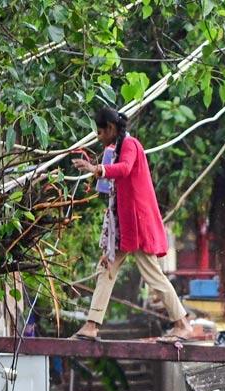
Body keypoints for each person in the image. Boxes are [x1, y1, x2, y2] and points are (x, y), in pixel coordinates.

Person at [71, 108, 193, 341]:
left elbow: (125, 169)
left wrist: (96, 169)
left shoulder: (130, 145)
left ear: (111, 129)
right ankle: (92, 325)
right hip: (125, 228)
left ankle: (182, 324)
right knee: (106, 269)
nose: (98, 136)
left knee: (153, 275)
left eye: (100, 131)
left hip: (137, 225)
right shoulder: (114, 149)